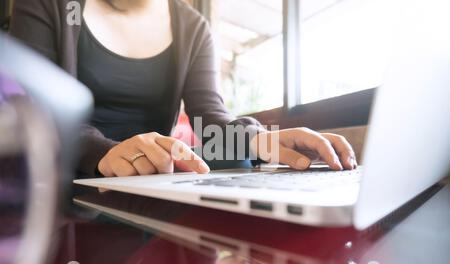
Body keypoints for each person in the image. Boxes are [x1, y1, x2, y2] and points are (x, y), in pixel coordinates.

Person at [10, 0, 357, 178]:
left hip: (152, 188)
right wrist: (103, 152)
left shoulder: (194, 28)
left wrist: (260, 139)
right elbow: (32, 115)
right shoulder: (48, 5)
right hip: (61, 187)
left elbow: (211, 119)